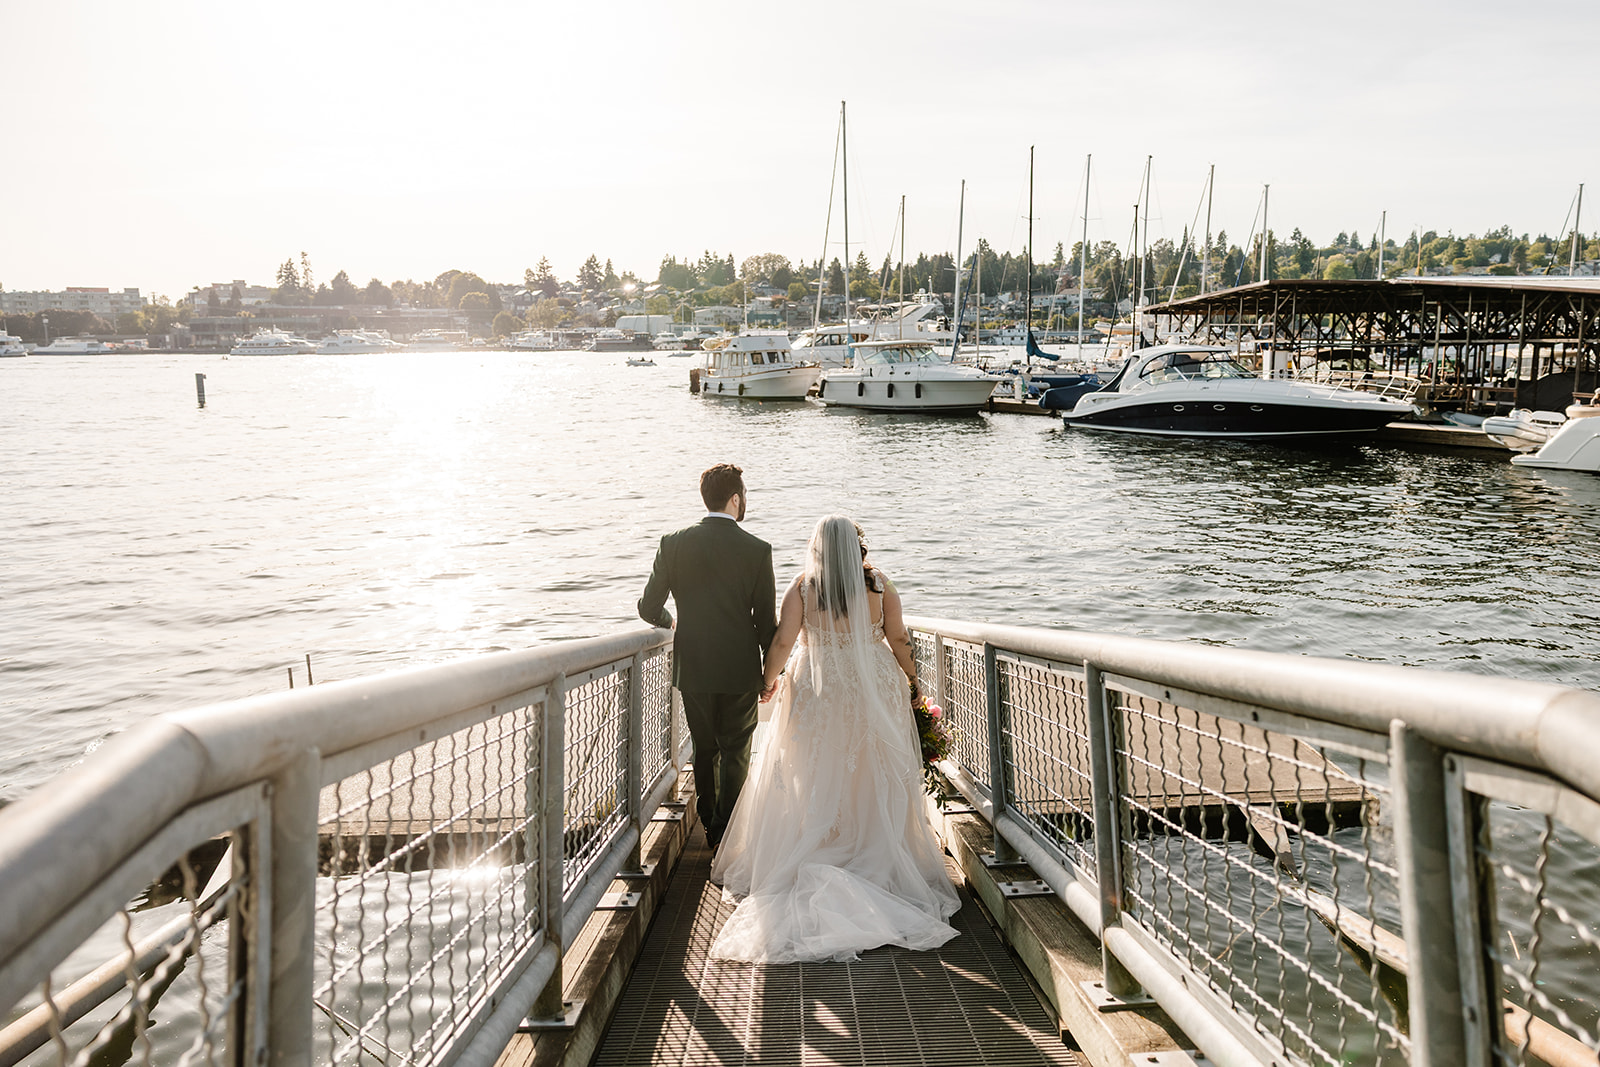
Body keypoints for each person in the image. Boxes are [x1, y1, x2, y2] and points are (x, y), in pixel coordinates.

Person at [708, 515, 960, 963]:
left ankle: (824, 841)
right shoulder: (880, 585)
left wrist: (769, 680)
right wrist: (913, 679)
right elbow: (898, 637)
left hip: (818, 687)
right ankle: (872, 850)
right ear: (857, 547)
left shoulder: (804, 587)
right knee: (870, 767)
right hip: (872, 687)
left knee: (814, 768)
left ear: (818, 548)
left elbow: (785, 641)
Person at [638, 463, 777, 852]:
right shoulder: (757, 550)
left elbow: (649, 607)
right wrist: (771, 673)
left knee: (704, 748)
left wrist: (671, 621)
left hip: (693, 666)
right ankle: (725, 832)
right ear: (735, 499)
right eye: (744, 496)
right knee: (736, 751)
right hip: (740, 669)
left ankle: (714, 831)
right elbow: (767, 623)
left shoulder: (673, 543)